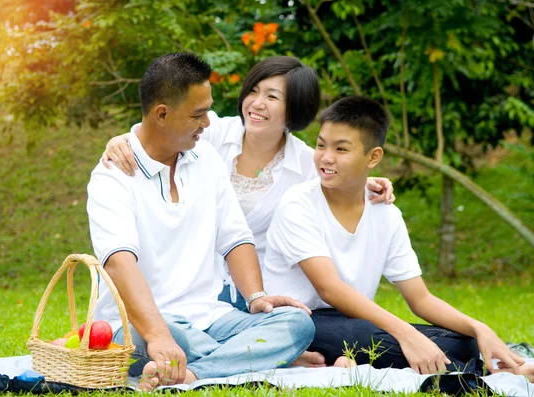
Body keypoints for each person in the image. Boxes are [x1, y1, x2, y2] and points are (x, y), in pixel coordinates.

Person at [87, 53, 320, 391]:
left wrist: (256, 297)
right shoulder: (113, 176)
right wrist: (159, 336)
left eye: (208, 112)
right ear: (162, 114)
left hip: (211, 317)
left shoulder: (206, 158)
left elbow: (235, 238)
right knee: (172, 336)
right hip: (142, 324)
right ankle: (249, 357)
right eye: (198, 115)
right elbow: (120, 265)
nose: (208, 123)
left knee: (296, 324)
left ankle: (197, 373)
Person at [101, 56, 394, 321]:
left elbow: (335, 180)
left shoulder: (306, 164)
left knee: (293, 325)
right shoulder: (212, 132)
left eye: (272, 96)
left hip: (258, 288)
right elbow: (160, 129)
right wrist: (121, 140)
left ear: (295, 108)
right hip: (194, 279)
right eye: (253, 91)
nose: (257, 103)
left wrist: (363, 181)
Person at [261, 95, 532, 379]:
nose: (326, 157)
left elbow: (420, 299)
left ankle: (345, 362)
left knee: (463, 342)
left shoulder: (386, 214)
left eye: (341, 149)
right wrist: (405, 333)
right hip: (299, 321)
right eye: (320, 145)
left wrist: (478, 328)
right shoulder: (298, 203)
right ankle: (496, 373)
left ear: (373, 157)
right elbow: (330, 290)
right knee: (370, 336)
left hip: (356, 320)